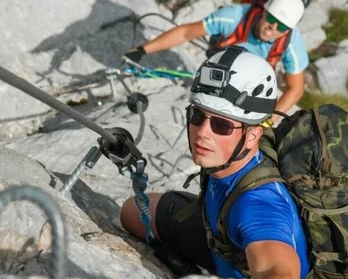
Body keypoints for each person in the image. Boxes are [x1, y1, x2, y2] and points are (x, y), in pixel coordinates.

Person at [119, 46, 310, 278]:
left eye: (222, 125)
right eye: (197, 116)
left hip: (238, 247)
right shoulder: (227, 164)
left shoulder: (258, 206)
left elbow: (277, 271)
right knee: (134, 212)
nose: (202, 132)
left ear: (252, 136)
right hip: (222, 237)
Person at [123, 0, 309, 127]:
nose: (273, 28)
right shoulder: (232, 17)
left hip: (252, 79)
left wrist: (268, 121)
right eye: (271, 18)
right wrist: (143, 50)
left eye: (282, 27)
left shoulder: (292, 43)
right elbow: (187, 32)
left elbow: (296, 89)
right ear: (263, 12)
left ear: (289, 30)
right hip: (222, 64)